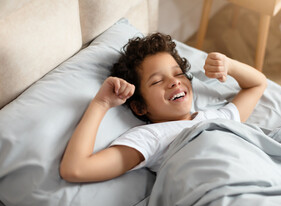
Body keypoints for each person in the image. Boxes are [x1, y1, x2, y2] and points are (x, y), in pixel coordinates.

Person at [60, 33, 267, 183]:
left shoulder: (216, 117)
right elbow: (76, 169)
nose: (174, 82)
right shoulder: (150, 137)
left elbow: (257, 84)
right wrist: (101, 104)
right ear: (140, 107)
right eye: (157, 81)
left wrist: (229, 66)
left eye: (178, 74)